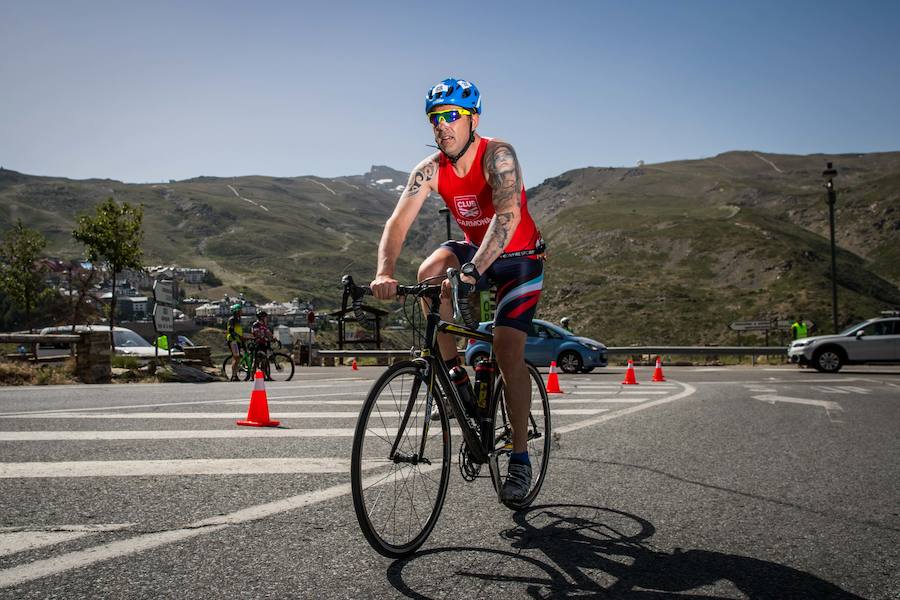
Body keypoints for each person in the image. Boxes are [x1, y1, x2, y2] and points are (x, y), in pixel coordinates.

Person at [370, 77, 545, 504]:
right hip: (474, 252)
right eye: (435, 117)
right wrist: (384, 272)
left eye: (452, 115)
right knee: (429, 271)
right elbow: (397, 223)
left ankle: (519, 457)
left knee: (506, 350)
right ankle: (455, 378)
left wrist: (472, 273)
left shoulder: (498, 155)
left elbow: (507, 216)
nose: (442, 125)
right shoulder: (429, 170)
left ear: (474, 120)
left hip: (520, 258)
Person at [225, 303, 244, 381]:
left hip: (237, 340)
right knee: (236, 357)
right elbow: (231, 331)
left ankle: (235, 374)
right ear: (236, 311)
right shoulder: (232, 319)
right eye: (240, 310)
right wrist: (239, 336)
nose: (241, 312)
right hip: (233, 340)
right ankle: (233, 376)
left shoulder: (238, 319)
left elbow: (238, 331)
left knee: (238, 358)